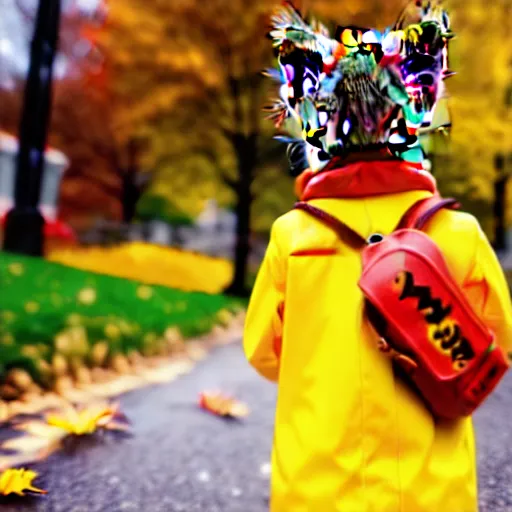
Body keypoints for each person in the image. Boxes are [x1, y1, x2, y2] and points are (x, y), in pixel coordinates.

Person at [243, 2, 512, 511]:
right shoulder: (460, 233)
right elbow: (496, 342)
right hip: (434, 490)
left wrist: (317, 367)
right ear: (413, 114)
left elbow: (262, 350)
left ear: (317, 121)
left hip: (317, 485)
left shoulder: (292, 237)